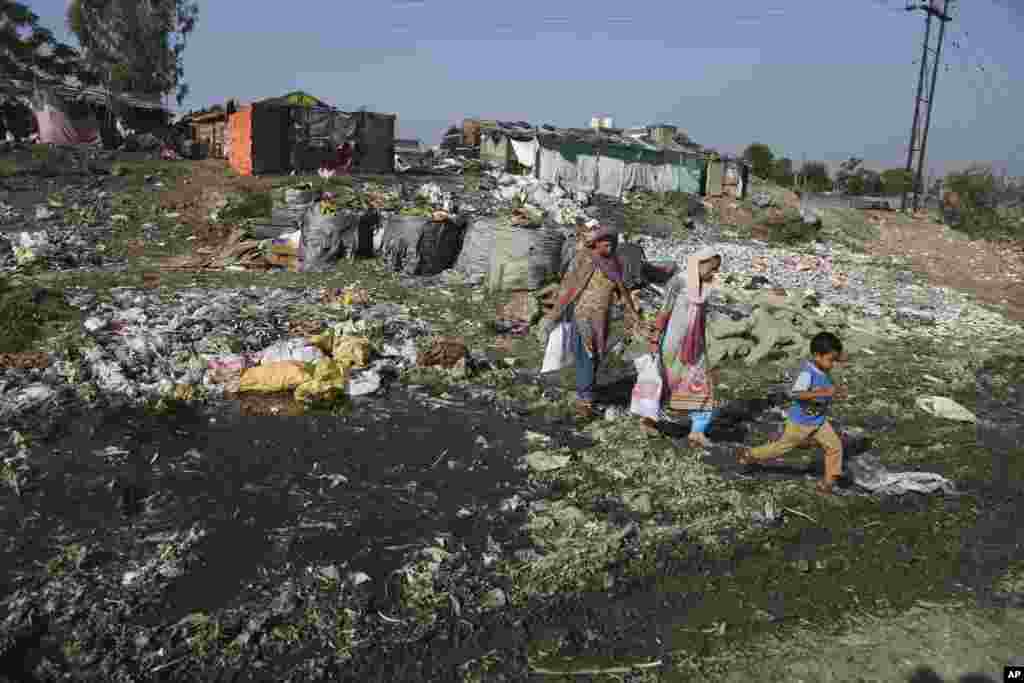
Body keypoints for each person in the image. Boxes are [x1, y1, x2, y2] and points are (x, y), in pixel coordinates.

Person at [538, 222, 641, 420]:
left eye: (612, 241)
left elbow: (621, 288)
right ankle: (584, 398)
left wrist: (631, 311)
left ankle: (587, 391)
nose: (610, 245)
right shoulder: (585, 260)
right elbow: (569, 287)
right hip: (582, 314)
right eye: (605, 241)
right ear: (596, 243)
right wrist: (553, 315)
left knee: (596, 354)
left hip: (602, 317)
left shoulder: (613, 263)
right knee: (586, 353)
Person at [737, 331, 848, 496]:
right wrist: (824, 393)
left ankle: (828, 482)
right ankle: (750, 454)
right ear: (817, 355)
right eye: (831, 360)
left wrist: (836, 390)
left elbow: (828, 382)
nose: (832, 365)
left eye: (834, 360)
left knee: (835, 447)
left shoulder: (821, 365)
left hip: (818, 421)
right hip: (800, 423)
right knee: (781, 447)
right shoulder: (806, 373)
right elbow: (796, 394)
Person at [639, 247, 723, 447]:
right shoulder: (679, 282)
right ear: (699, 264)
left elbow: (701, 319)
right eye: (711, 268)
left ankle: (697, 431)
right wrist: (654, 339)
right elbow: (664, 311)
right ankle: (648, 421)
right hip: (672, 344)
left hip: (695, 347)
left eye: (716, 269)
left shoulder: (706, 286)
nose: (713, 273)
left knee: (702, 385)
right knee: (664, 383)